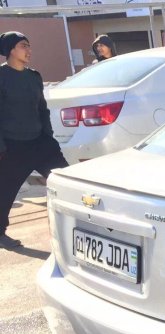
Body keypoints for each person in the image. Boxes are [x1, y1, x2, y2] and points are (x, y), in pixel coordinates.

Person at [0, 31, 68, 249]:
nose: (29, 50)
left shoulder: (33, 76)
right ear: (10, 49)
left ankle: (86, 223)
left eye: (29, 46)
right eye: (23, 46)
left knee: (67, 181)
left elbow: (42, 109)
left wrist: (47, 135)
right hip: (13, 146)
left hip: (40, 142)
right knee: (5, 191)